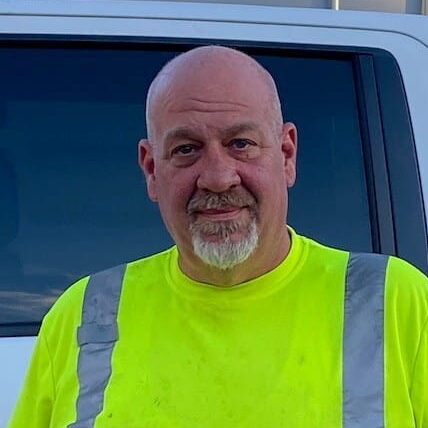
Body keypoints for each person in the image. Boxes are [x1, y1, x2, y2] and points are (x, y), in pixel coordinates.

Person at [8, 46, 428, 428]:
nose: (217, 177)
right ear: (152, 169)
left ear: (286, 155)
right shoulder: (83, 317)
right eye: (186, 149)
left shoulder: (395, 302)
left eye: (241, 143)